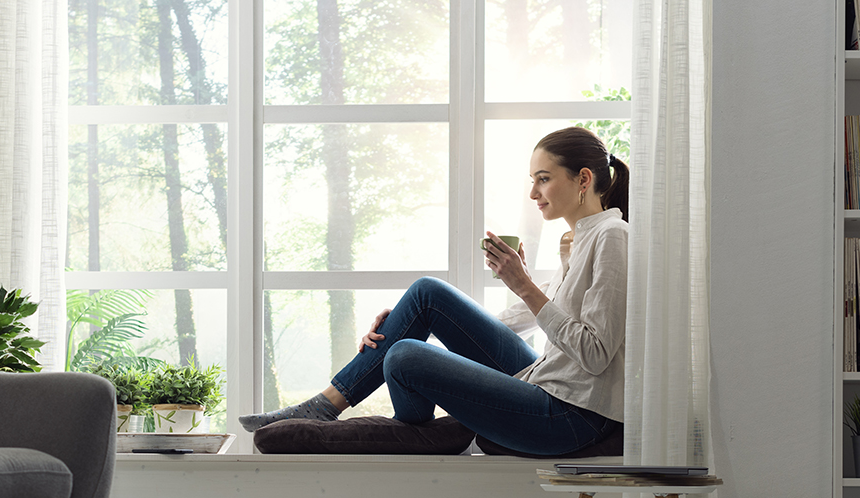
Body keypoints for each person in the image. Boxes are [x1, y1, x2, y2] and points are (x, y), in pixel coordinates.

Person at [239, 126, 629, 456]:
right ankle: (325, 404)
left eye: (543, 179)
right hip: (544, 382)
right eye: (533, 181)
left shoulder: (612, 237)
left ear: (583, 179)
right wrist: (403, 324)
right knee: (426, 295)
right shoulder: (576, 241)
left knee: (405, 356)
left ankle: (419, 430)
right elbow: (521, 320)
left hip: (569, 416)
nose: (533, 193)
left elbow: (595, 354)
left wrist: (524, 286)